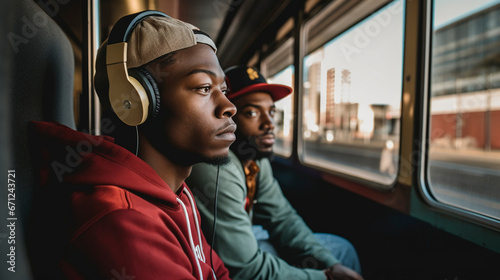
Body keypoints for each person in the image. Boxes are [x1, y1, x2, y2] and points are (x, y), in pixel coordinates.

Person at [28, 11, 235, 280]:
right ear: (136, 101)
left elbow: (218, 272)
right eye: (204, 87)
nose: (229, 107)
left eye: (224, 90)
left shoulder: (177, 195)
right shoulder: (124, 218)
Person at [187, 65, 364, 280]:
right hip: (216, 256)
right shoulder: (217, 168)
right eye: (252, 112)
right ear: (227, 115)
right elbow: (244, 269)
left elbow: (282, 218)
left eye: (271, 112)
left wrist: (330, 265)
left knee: (341, 250)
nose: (269, 124)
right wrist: (324, 277)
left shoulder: (255, 158)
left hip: (248, 233)